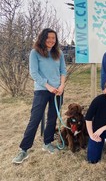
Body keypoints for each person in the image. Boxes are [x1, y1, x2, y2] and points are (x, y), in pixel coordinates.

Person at [12, 28, 67, 164]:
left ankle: (47, 143)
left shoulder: (58, 53)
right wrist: (48, 86)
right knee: (35, 119)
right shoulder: (34, 53)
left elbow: (63, 71)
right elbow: (34, 73)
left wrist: (61, 86)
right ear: (43, 38)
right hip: (42, 91)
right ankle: (23, 149)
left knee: (52, 118)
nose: (51, 40)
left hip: (58, 91)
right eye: (48, 38)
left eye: (53, 38)